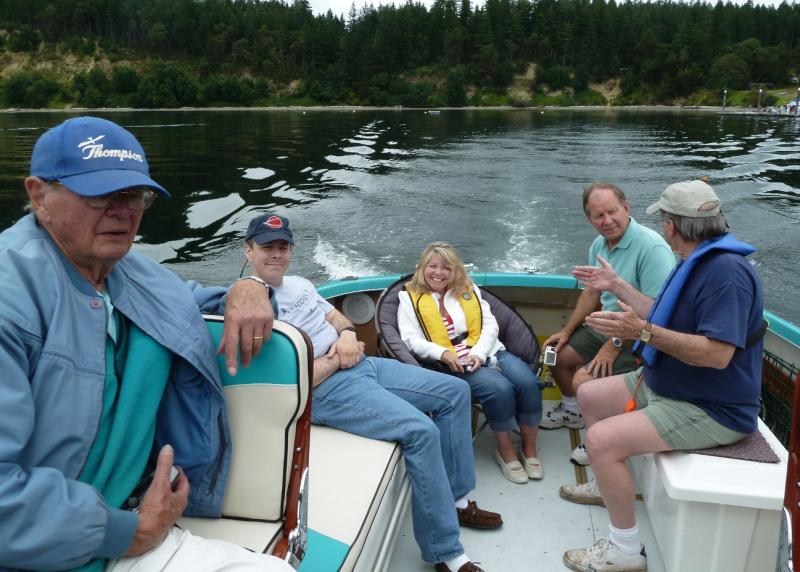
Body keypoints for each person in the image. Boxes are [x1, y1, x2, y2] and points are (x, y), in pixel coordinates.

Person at [0, 117, 292, 571]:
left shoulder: (129, 273)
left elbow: (193, 300)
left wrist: (250, 287)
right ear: (40, 195)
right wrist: (128, 533)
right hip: (58, 548)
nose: (123, 212)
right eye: (100, 194)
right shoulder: (11, 300)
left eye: (134, 195)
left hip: (130, 522)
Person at [243, 214, 502, 572]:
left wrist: (349, 335)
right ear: (248, 250)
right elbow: (292, 380)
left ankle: (456, 501)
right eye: (267, 247)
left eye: (283, 246)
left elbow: (336, 319)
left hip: (362, 364)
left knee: (455, 392)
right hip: (326, 389)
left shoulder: (299, 284)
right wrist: (338, 358)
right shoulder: (251, 310)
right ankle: (446, 553)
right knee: (420, 431)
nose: (276, 254)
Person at [559, 180, 764, 572]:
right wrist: (616, 285)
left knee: (600, 441)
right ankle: (604, 485)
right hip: (669, 384)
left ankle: (625, 552)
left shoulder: (726, 274)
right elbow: (658, 310)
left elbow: (718, 354)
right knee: (589, 395)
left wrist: (642, 333)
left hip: (711, 406)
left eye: (664, 219)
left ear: (673, 225)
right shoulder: (693, 259)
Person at [540, 182, 675, 466]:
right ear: (589, 218)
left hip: (640, 336)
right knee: (556, 355)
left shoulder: (652, 248)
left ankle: (599, 441)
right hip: (604, 327)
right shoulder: (599, 245)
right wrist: (566, 332)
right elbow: (592, 293)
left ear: (626, 207)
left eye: (612, 212)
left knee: (585, 380)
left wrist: (613, 346)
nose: (607, 221)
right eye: (598, 216)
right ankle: (572, 411)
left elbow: (657, 313)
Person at [397, 242, 544, 484]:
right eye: (432, 266)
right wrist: (444, 354)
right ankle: (505, 450)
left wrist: (479, 354)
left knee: (529, 383)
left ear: (455, 270)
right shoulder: (407, 297)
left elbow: (491, 325)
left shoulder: (469, 289)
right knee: (500, 389)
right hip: (452, 364)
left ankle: (529, 448)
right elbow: (410, 340)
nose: (439, 272)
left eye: (446, 267)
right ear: (422, 267)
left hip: (489, 352)